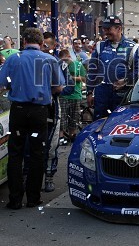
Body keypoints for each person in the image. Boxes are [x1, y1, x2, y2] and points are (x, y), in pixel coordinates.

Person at [0, 28, 64, 209]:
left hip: (18, 110)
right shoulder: (50, 60)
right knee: (37, 154)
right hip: (39, 111)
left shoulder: (14, 59)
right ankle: (33, 198)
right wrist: (44, 91)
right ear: (41, 42)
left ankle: (15, 199)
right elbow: (59, 88)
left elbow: (2, 84)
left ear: (23, 40)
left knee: (15, 154)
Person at [86, 15, 139, 120]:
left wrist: (126, 80)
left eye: (108, 29)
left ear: (119, 29)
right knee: (99, 125)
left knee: (120, 124)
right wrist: (89, 92)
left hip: (122, 96)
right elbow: (92, 71)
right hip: (101, 95)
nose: (106, 32)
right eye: (104, 29)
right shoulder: (100, 46)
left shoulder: (133, 48)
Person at [40, 32, 74, 192]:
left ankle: (49, 177)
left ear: (53, 46)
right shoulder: (33, 60)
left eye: (48, 45)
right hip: (33, 108)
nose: (44, 48)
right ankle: (29, 178)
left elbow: (69, 86)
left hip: (52, 107)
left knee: (51, 144)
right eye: (42, 44)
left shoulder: (60, 64)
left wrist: (54, 91)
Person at [58, 49, 86, 143]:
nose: (64, 61)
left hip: (76, 95)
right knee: (62, 117)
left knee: (75, 117)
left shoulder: (78, 64)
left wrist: (71, 78)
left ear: (69, 56)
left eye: (65, 59)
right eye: (62, 60)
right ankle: (61, 138)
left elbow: (84, 78)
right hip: (63, 95)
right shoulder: (59, 65)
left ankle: (72, 136)